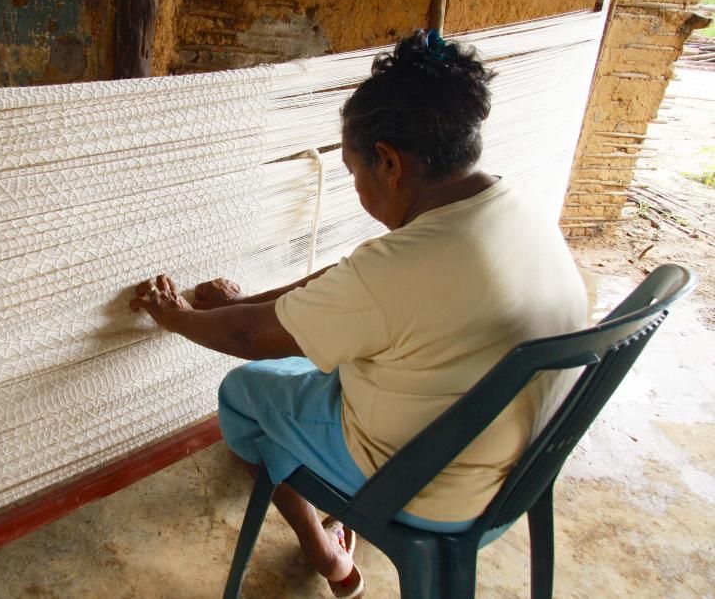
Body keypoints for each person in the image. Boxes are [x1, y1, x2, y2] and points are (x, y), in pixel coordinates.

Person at [130, 30, 587, 598]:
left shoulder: (402, 266)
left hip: (426, 488)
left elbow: (252, 337)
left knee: (245, 398)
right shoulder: (516, 211)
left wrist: (173, 315)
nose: (356, 185)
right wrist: (239, 300)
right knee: (322, 370)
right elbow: (346, 282)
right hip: (515, 475)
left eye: (352, 170)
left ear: (389, 162)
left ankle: (323, 549)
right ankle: (328, 544)